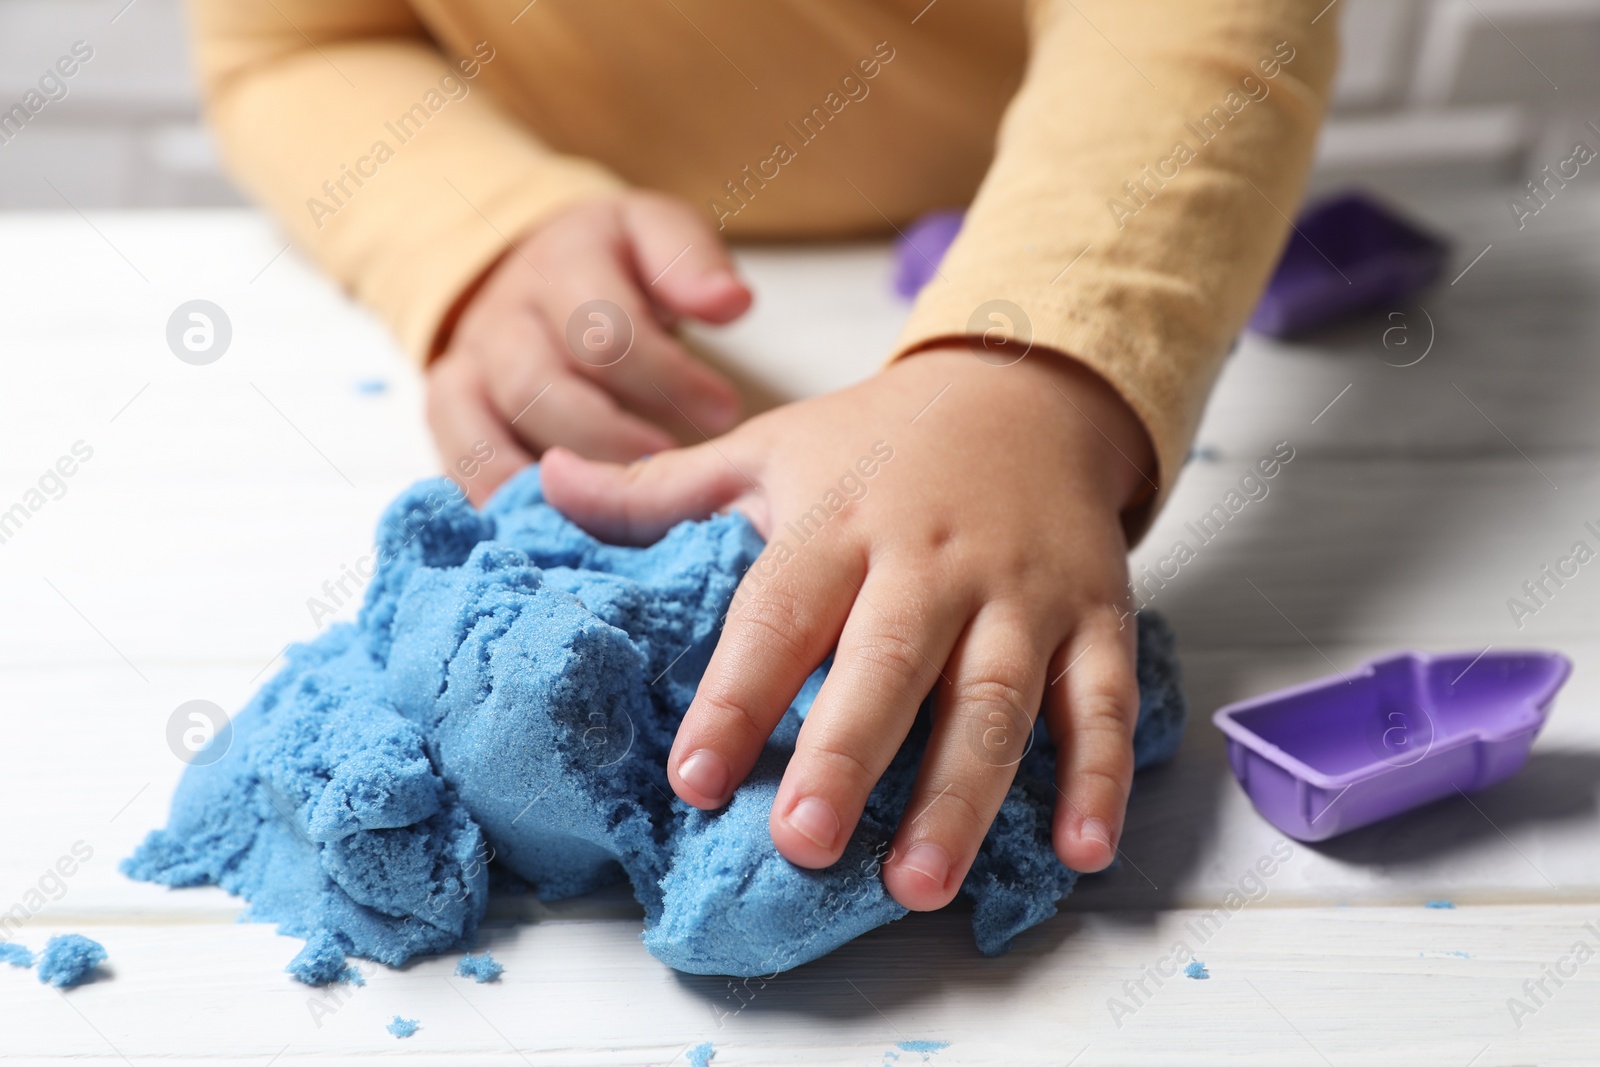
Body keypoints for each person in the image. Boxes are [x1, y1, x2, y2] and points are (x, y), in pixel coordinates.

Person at [186, 0, 1336, 913]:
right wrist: (480, 229)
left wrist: (1036, 364)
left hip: (1036, 205)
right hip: (621, 253)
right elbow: (300, 42)